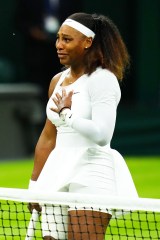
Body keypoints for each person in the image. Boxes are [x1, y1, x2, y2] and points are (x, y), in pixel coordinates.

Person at [28, 12, 138, 240]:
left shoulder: (103, 80)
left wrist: (67, 115)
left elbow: (102, 135)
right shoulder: (56, 82)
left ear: (87, 42)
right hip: (56, 169)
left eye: (67, 39)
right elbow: (48, 137)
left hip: (92, 171)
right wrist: (34, 185)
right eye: (58, 38)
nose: (59, 45)